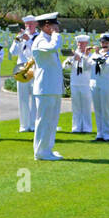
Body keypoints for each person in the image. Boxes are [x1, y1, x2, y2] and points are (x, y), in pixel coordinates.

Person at [31, 13, 65, 161]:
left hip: (53, 86)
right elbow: (52, 48)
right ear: (46, 26)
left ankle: (47, 149)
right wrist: (56, 35)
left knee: (52, 121)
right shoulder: (40, 41)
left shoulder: (48, 39)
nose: (57, 28)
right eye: (54, 25)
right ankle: (40, 152)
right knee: (44, 120)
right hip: (45, 87)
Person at [9, 15, 38, 133]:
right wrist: (17, 40)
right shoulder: (20, 37)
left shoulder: (38, 37)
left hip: (34, 70)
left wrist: (29, 40)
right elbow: (13, 52)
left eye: (31, 24)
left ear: (35, 25)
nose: (29, 26)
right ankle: (24, 125)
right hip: (21, 70)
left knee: (35, 98)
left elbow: (36, 53)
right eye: (27, 24)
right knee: (22, 98)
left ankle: (34, 124)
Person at [64, 35, 94, 134]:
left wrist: (82, 57)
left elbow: (89, 67)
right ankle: (76, 127)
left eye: (83, 43)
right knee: (76, 106)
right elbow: (65, 66)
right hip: (75, 83)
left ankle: (87, 127)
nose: (81, 45)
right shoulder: (72, 54)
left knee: (86, 106)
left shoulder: (90, 55)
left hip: (86, 83)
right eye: (79, 43)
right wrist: (72, 60)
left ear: (87, 44)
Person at [90, 32, 109, 142]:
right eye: (102, 42)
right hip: (95, 83)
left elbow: (106, 66)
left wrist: (97, 54)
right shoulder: (96, 53)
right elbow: (88, 65)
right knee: (97, 109)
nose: (104, 44)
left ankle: (107, 134)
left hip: (106, 84)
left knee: (106, 109)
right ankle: (100, 133)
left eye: (106, 42)